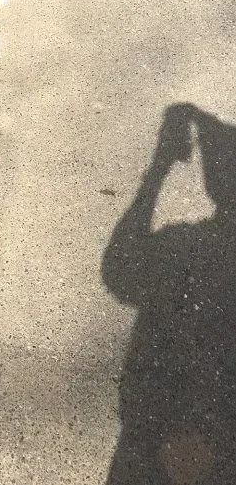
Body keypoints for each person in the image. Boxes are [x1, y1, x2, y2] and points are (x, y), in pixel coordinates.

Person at [103, 103, 236, 485]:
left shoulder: (186, 248)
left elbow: (119, 271)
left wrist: (159, 167)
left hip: (155, 449)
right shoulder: (187, 247)